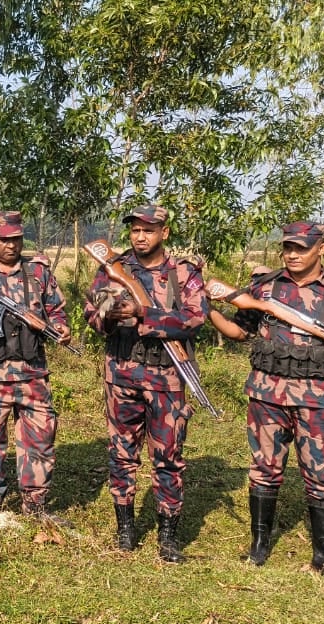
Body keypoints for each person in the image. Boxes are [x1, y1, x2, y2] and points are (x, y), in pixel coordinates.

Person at [207, 222, 324, 575]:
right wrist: (206, 309)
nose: (293, 254)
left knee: (322, 474)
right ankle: (259, 546)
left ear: (321, 248)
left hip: (317, 398)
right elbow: (240, 330)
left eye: (301, 248)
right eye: (288, 247)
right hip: (267, 395)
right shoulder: (265, 286)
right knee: (264, 470)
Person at [83, 204, 208, 563]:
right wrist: (107, 316)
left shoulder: (183, 273)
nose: (140, 236)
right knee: (122, 455)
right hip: (121, 374)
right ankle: (125, 529)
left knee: (168, 457)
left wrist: (144, 314)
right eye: (135, 230)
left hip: (168, 378)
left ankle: (168, 535)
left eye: (148, 230)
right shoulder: (114, 268)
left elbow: (196, 319)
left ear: (164, 233)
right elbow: (93, 314)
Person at [0, 211, 73, 526]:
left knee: (39, 438)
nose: (11, 245)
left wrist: (60, 328)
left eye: (16, 239)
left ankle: (35, 505)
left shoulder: (38, 271)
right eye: (4, 239)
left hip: (33, 372)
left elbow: (57, 309)